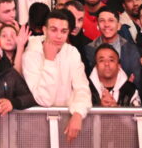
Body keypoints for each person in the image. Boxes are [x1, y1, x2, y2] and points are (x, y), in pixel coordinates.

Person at [21, 12, 91, 141]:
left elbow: (82, 88)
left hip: (66, 125)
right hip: (35, 129)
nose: (59, 36)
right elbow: (44, 100)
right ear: (44, 30)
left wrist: (78, 113)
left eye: (64, 31)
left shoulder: (72, 52)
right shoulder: (31, 55)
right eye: (54, 30)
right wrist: (49, 60)